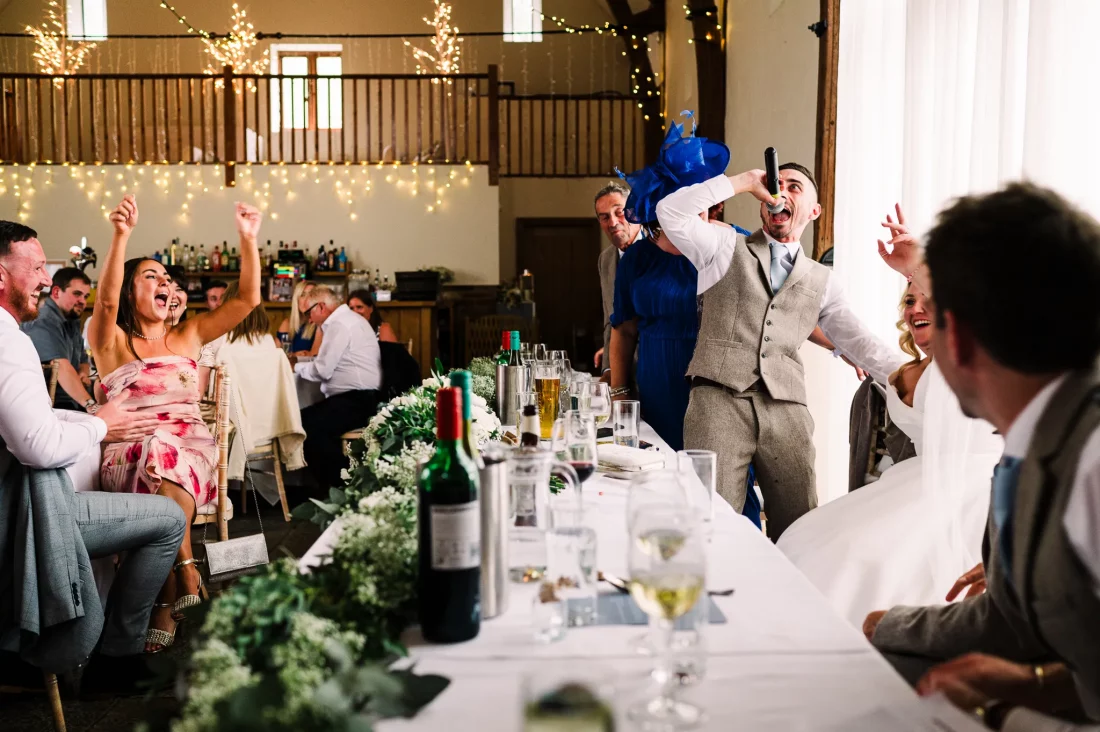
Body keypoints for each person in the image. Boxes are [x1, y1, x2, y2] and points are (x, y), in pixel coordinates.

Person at [863, 183, 1100, 725]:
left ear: (962, 343)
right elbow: (1013, 619)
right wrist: (1033, 684)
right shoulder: (1035, 434)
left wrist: (1028, 695)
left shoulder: (1092, 460)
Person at [655, 154, 904, 539]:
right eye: (775, 185)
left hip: (787, 408)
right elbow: (669, 212)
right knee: (710, 525)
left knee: (801, 525)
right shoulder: (722, 246)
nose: (779, 193)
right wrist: (741, 180)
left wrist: (919, 378)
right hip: (717, 403)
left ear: (815, 210)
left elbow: (859, 340)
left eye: (793, 187)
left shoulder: (824, 280)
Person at [0, 219, 184, 678]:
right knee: (168, 519)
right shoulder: (9, 340)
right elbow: (39, 448)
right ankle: (115, 657)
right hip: (14, 518)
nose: (47, 279)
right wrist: (100, 425)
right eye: (39, 267)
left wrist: (84, 420)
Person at [778, 263, 1002, 626]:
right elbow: (858, 341)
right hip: (917, 479)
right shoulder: (902, 371)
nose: (915, 308)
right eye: (909, 301)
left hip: (974, 488)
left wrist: (915, 263)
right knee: (811, 539)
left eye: (928, 300)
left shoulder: (971, 362)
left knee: (866, 557)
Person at [89, 195, 264, 653]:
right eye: (152, 277)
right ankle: (185, 574)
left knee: (166, 449)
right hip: (127, 451)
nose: (165, 284)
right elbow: (104, 304)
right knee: (154, 449)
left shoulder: (186, 334)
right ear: (130, 290)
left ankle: (168, 599)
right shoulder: (110, 342)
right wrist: (120, 236)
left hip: (192, 448)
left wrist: (248, 239)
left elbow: (246, 299)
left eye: (168, 279)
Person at [292, 285, 382, 491]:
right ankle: (340, 485)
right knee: (310, 423)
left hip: (356, 400)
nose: (309, 319)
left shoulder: (339, 325)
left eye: (308, 313)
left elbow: (323, 370)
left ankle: (342, 489)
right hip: (359, 398)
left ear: (321, 307)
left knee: (302, 427)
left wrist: (295, 366)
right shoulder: (348, 320)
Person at [22, 267, 96, 412]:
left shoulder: (71, 318)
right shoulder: (42, 321)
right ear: (56, 292)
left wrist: (83, 373)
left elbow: (83, 360)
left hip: (69, 401)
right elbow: (62, 368)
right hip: (46, 407)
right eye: (77, 294)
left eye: (86, 296)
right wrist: (92, 406)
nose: (82, 301)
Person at [594, 182, 642, 375]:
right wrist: (608, 370)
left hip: (660, 368)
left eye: (619, 212)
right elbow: (610, 322)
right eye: (604, 217)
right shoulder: (605, 260)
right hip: (621, 373)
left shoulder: (663, 249)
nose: (612, 222)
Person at [278, 279, 322, 356]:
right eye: (303, 295)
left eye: (311, 295)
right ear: (297, 300)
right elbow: (275, 355)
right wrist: (295, 355)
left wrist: (292, 356)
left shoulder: (320, 325)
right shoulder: (287, 323)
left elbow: (314, 356)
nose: (307, 300)